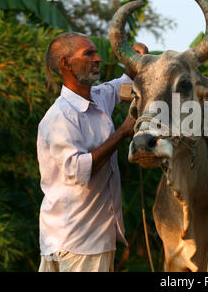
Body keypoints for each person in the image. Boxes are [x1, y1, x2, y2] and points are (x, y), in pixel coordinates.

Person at [37, 32, 147, 272]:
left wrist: (135, 59)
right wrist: (122, 133)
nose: (97, 58)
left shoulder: (98, 96)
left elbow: (124, 85)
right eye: (89, 53)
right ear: (66, 64)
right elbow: (80, 171)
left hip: (73, 239)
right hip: (81, 242)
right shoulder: (59, 117)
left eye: (96, 52)